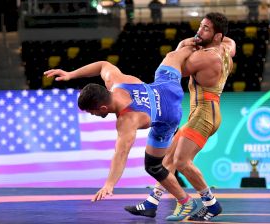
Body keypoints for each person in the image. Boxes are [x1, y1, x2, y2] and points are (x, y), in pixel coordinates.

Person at [44, 45, 200, 221]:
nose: (93, 115)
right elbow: (103, 65)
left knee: (153, 166)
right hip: (167, 88)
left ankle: (186, 202)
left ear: (102, 107)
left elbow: (121, 154)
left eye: (91, 112)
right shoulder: (116, 81)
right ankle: (197, 44)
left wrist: (109, 184)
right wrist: (71, 74)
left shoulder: (127, 121)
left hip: (169, 119)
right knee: (174, 55)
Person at [125, 12, 236, 221]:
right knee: (168, 158)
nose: (199, 31)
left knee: (182, 161)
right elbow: (231, 41)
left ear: (217, 36)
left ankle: (211, 204)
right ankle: (152, 203)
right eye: (201, 26)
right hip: (205, 112)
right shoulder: (227, 48)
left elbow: (173, 66)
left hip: (204, 115)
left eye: (206, 29)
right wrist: (202, 41)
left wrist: (183, 43)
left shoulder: (206, 57)